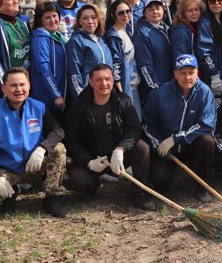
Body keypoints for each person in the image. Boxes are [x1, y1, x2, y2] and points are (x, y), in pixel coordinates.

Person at [0, 67, 67, 217]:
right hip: (8, 170)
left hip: (34, 165)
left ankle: (51, 198)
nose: (18, 89)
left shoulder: (39, 107)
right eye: (13, 85)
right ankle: (11, 193)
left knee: (58, 149)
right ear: (4, 88)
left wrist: (41, 148)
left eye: (22, 84)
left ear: (29, 86)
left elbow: (58, 130)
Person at [64, 64, 155, 209]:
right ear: (90, 82)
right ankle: (94, 184)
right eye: (99, 80)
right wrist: (88, 162)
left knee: (142, 147)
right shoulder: (79, 107)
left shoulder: (123, 100)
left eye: (107, 79)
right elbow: (72, 142)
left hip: (117, 157)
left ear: (113, 80)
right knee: (78, 181)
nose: (104, 84)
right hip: (93, 159)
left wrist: (120, 149)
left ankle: (140, 193)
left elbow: (134, 128)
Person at [143, 54, 217, 202]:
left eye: (191, 72)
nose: (187, 77)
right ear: (175, 73)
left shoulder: (204, 92)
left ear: (197, 73)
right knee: (160, 181)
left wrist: (176, 138)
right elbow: (147, 124)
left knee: (208, 141)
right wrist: (159, 145)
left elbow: (206, 124)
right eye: (182, 73)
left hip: (190, 144)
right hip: (166, 148)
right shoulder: (159, 94)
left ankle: (202, 188)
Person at [170, 0, 222, 95]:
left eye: (196, 9)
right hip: (190, 79)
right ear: (183, 13)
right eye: (190, 10)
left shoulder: (198, 26)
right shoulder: (180, 31)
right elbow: (180, 59)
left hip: (201, 74)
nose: (194, 13)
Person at [66, 4, 112, 105]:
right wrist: (81, 98)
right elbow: (74, 73)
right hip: (88, 98)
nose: (90, 21)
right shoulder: (76, 41)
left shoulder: (101, 40)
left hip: (105, 95)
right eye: (85, 18)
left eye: (93, 17)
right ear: (79, 21)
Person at [28, 2, 68, 118]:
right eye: (47, 17)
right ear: (41, 20)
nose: (52, 20)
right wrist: (56, 94)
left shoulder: (59, 37)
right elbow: (43, 68)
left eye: (54, 16)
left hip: (60, 92)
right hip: (47, 96)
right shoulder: (40, 39)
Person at [104, 0, 142, 119]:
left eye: (128, 11)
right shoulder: (113, 36)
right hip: (126, 87)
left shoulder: (125, 31)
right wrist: (120, 90)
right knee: (132, 122)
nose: (125, 15)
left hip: (134, 84)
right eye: (121, 13)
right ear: (113, 15)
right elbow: (116, 64)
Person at [133, 0, 172, 106]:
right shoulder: (142, 33)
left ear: (163, 11)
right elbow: (144, 66)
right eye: (150, 9)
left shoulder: (168, 29)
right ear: (144, 13)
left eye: (157, 8)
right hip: (155, 92)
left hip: (171, 87)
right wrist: (156, 88)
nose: (155, 11)